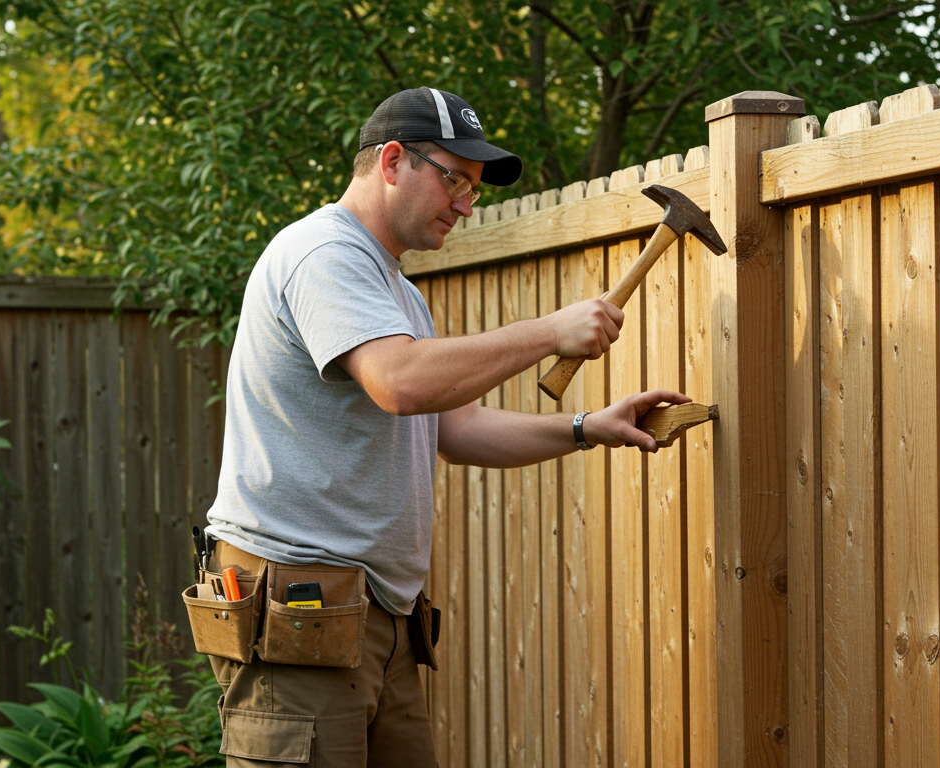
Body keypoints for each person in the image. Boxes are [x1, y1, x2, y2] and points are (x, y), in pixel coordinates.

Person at [201, 86, 690, 767]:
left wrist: (585, 426)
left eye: (474, 189)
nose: (465, 204)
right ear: (394, 161)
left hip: (377, 618)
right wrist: (550, 331)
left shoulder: (397, 291)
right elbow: (400, 383)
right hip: (301, 611)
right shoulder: (321, 253)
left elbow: (455, 428)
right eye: (455, 180)